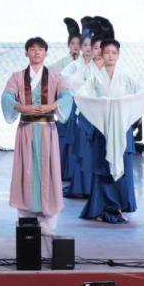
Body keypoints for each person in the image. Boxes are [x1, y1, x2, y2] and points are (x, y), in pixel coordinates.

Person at [2, 37, 73, 234]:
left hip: (47, 129)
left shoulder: (56, 77)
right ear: (26, 53)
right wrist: (20, 106)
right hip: (26, 129)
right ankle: (25, 216)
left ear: (46, 53)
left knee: (48, 169)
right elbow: (7, 96)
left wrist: (52, 105)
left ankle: (49, 220)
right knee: (25, 168)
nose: (36, 52)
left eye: (40, 49)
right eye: (32, 49)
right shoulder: (17, 77)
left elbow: (67, 96)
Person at [75, 37, 144, 224]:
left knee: (122, 167)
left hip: (122, 127)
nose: (110, 56)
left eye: (113, 52)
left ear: (118, 55)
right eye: (106, 52)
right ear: (101, 53)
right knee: (103, 168)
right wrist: (99, 104)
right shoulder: (95, 77)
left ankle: (117, 208)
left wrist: (126, 104)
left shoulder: (125, 76)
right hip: (103, 128)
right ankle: (101, 208)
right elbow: (81, 95)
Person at [62, 17, 97, 199]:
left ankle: (92, 185)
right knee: (80, 147)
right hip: (80, 108)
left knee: (94, 149)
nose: (88, 49)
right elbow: (64, 79)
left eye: (91, 45)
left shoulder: (98, 65)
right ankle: (79, 184)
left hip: (96, 110)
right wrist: (81, 87)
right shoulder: (74, 65)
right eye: (85, 45)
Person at [50, 18, 83, 181]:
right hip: (67, 103)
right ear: (69, 45)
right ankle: (63, 172)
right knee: (65, 135)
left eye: (79, 43)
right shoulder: (62, 63)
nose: (75, 46)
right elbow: (50, 76)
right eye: (72, 43)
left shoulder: (86, 62)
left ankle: (78, 173)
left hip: (83, 103)